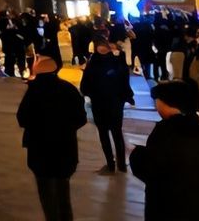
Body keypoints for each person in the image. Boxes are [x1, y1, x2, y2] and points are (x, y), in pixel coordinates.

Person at [130, 80, 199, 220]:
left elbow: (150, 170)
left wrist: (136, 154)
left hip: (167, 211)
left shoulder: (163, 136)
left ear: (166, 104)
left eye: (157, 101)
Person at [17, 53, 86, 221]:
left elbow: (22, 118)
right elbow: (81, 118)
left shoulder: (33, 92)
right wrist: (66, 129)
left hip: (39, 150)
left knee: (46, 194)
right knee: (63, 194)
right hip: (65, 149)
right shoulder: (68, 89)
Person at [79, 37, 135, 173]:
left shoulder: (92, 65)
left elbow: (84, 87)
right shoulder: (117, 63)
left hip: (99, 105)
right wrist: (127, 97)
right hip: (115, 104)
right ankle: (122, 165)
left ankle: (110, 164)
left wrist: (93, 94)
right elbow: (125, 83)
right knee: (117, 133)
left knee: (103, 134)